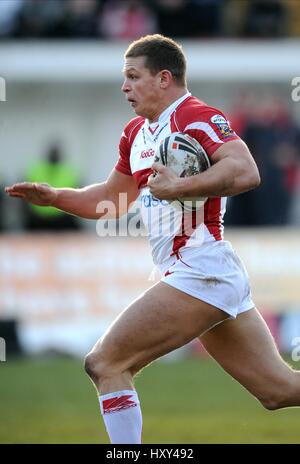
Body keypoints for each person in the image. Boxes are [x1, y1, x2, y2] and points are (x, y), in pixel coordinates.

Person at [5, 34, 300, 444]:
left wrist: (182, 187)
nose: (124, 87)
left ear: (164, 78)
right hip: (201, 275)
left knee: (105, 362)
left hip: (201, 269)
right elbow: (112, 198)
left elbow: (246, 170)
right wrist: (56, 198)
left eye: (132, 76)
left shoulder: (195, 116)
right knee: (279, 391)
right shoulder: (136, 133)